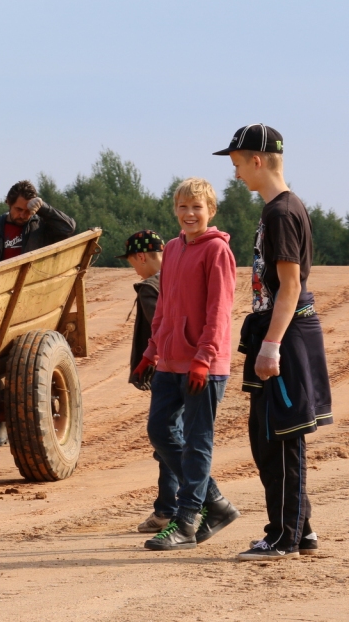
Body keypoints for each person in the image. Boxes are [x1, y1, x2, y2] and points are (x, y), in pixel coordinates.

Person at [214, 125, 333, 561]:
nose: (237, 174)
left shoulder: (281, 212)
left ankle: (283, 537)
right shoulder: (282, 207)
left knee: (279, 439)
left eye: (238, 164)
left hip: (285, 333)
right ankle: (300, 531)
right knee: (272, 437)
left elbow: (289, 285)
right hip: (283, 331)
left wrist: (271, 346)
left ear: (257, 160)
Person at [133, 178, 240, 551]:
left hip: (203, 366)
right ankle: (216, 503)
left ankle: (187, 520)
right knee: (160, 431)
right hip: (169, 361)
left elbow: (219, 311)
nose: (189, 213)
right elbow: (164, 307)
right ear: (175, 210)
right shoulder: (175, 248)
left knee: (197, 441)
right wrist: (151, 350)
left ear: (210, 211)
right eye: (183, 207)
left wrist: (204, 357)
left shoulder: (217, 252)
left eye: (197, 207)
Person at [0, 179, 76, 446]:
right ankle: (1, 425)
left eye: (27, 210)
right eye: (18, 209)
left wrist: (45, 210)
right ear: (8, 204)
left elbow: (70, 230)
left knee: (27, 363)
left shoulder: (41, 226)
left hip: (33, 303)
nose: (23, 215)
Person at [117, 230, 177, 534]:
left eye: (132, 263)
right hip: (186, 367)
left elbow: (161, 329)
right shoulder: (178, 277)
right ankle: (170, 506)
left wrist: (150, 361)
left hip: (168, 371)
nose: (134, 269)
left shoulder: (151, 287)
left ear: (141, 256)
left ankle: (169, 509)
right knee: (173, 437)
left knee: (166, 440)